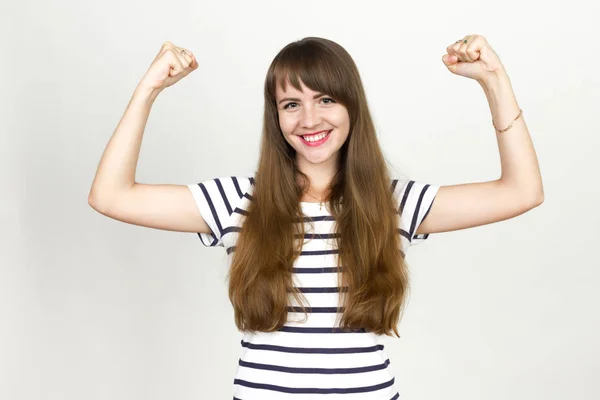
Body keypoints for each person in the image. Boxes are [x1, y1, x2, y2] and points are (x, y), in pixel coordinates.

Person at [88, 36, 543, 399]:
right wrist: (148, 90)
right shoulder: (236, 201)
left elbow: (522, 191)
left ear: (351, 107)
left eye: (325, 99)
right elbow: (111, 196)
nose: (309, 119)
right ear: (277, 117)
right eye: (291, 104)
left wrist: (494, 82)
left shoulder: (393, 204)